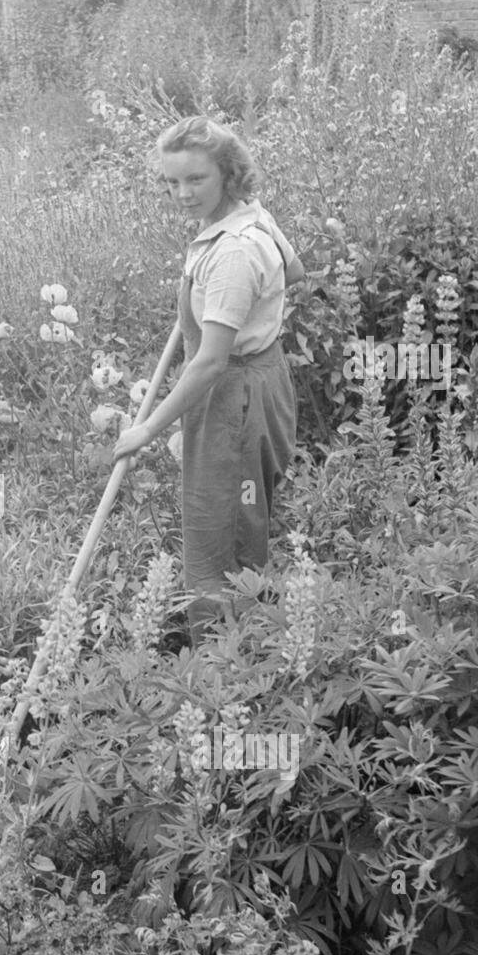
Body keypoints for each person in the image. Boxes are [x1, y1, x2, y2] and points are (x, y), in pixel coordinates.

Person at [113, 115, 304, 645]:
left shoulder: (235, 250)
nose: (182, 193)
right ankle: (247, 647)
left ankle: (224, 669)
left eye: (195, 179)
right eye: (172, 181)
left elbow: (210, 361)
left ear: (226, 172)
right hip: (260, 380)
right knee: (241, 519)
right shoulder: (249, 217)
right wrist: (230, 307)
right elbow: (294, 271)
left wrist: (146, 430)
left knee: (219, 534)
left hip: (234, 398)